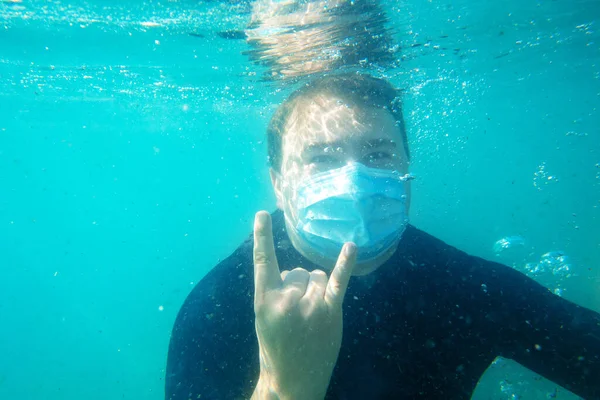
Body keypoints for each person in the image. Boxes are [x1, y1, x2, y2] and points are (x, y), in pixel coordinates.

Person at [165, 73, 600, 399]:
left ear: (408, 170)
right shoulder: (219, 310)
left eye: (378, 154)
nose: (354, 181)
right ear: (278, 183)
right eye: (321, 158)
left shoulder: (464, 286)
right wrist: (285, 387)